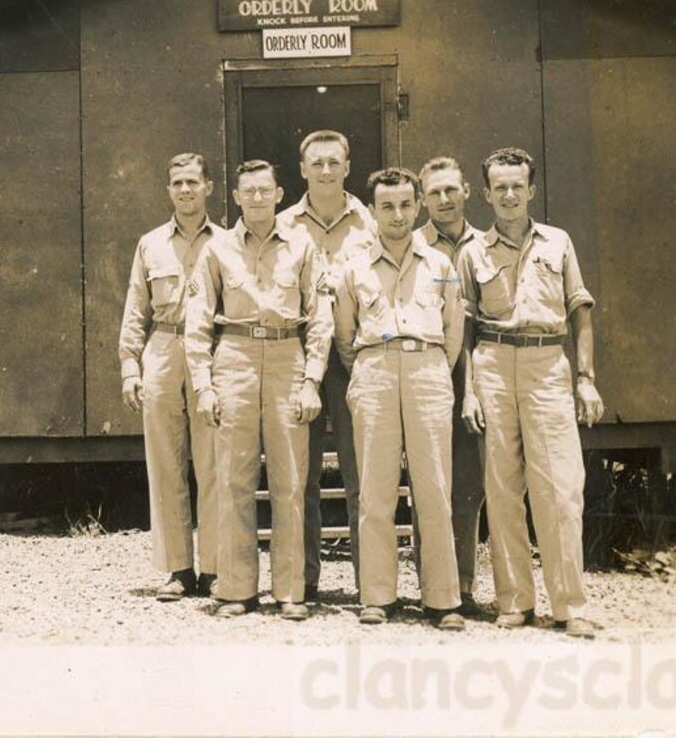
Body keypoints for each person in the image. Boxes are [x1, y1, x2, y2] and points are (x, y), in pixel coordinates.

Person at [458, 147, 605, 638]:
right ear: (485, 193)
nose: (508, 194)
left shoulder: (558, 243)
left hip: (547, 364)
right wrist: (469, 392)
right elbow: (465, 327)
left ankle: (570, 605)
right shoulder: (472, 252)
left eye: (517, 185)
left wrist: (585, 379)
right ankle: (515, 600)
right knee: (502, 488)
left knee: (561, 489)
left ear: (531, 190)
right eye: (498, 186)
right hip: (494, 365)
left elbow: (580, 310)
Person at [186, 160, 332, 621]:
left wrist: (312, 380)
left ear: (279, 193)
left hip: (288, 356)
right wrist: (204, 386)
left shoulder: (302, 245)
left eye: (264, 191)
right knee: (234, 478)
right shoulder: (217, 250)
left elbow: (320, 316)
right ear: (235, 196)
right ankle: (235, 588)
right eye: (248, 191)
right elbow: (197, 321)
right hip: (235, 358)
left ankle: (290, 591)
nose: (256, 198)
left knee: (291, 479)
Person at [333, 167, 466, 631]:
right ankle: (377, 596)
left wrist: (427, 367)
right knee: (376, 489)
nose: (397, 214)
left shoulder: (442, 267)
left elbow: (453, 332)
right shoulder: (353, 267)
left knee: (434, 489)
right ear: (372, 211)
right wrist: (377, 366)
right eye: (387, 206)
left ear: (417, 206)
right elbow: (345, 337)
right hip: (374, 370)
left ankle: (442, 599)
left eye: (406, 204)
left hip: (428, 370)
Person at [118, 152, 222, 601]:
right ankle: (178, 569)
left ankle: (216, 568)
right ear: (168, 190)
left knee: (214, 461)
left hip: (213, 353)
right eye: (177, 183)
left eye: (193, 182)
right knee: (165, 462)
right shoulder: (150, 244)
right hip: (162, 348)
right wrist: (129, 366)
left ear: (209, 188)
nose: (185, 190)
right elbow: (135, 308)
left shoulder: (227, 241)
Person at [277, 130, 376, 602]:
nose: (325, 171)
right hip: (301, 362)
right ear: (302, 170)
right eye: (316, 163)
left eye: (334, 162)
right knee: (302, 475)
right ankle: (305, 579)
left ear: (347, 166)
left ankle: (369, 582)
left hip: (356, 358)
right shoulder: (283, 225)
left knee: (361, 477)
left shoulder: (370, 222)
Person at [411, 156, 486, 616]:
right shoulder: (411, 243)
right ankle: (431, 587)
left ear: (466, 193)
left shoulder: (484, 245)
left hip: (476, 370)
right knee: (428, 481)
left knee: (469, 483)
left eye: (451, 190)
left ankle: (463, 584)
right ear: (422, 198)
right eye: (434, 192)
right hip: (427, 369)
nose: (443, 200)